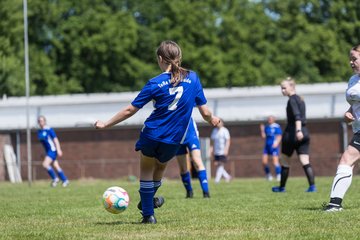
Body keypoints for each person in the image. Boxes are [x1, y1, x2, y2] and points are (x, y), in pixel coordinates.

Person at [94, 40, 220, 224]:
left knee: (146, 169)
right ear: (180, 57)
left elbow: (130, 109)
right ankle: (148, 204)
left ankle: (148, 214)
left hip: (152, 134)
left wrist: (106, 124)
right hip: (173, 139)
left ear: (160, 59)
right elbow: (206, 112)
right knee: (160, 167)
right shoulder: (193, 78)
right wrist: (213, 120)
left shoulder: (154, 83)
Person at [324, 44, 360, 211]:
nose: (351, 62)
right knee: (347, 161)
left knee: (347, 160)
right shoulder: (353, 80)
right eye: (350, 59)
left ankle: (334, 204)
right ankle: (334, 204)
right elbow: (354, 104)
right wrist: (348, 113)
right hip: (358, 129)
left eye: (354, 59)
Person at [272, 77, 316, 193]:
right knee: (305, 160)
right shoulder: (301, 99)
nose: (282, 91)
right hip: (305, 133)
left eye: (284, 88)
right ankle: (312, 187)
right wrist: (301, 131)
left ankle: (282, 188)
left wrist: (298, 131)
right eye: (281, 88)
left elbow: (297, 116)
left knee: (285, 161)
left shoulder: (292, 100)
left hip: (293, 133)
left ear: (291, 87)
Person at [176, 118, 210, 198]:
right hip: (176, 136)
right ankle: (189, 192)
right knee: (183, 167)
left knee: (197, 160)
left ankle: (206, 192)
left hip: (190, 134)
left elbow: (202, 109)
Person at [37, 115, 69, 187]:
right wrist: (44, 153)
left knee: (45, 164)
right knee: (56, 165)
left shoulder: (49, 130)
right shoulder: (39, 132)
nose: (40, 122)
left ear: (45, 121)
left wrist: (58, 149)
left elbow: (55, 140)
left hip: (52, 150)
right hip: (48, 151)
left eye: (41, 121)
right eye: (39, 121)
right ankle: (65, 180)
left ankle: (55, 179)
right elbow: (44, 143)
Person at [260, 115, 282, 181]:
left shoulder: (276, 127)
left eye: (270, 119)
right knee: (264, 162)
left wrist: (276, 143)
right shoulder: (267, 127)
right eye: (268, 119)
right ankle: (268, 175)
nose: (269, 120)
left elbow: (279, 136)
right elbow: (263, 136)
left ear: (273, 119)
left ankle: (279, 175)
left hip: (274, 146)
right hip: (267, 147)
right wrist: (262, 130)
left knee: (275, 162)